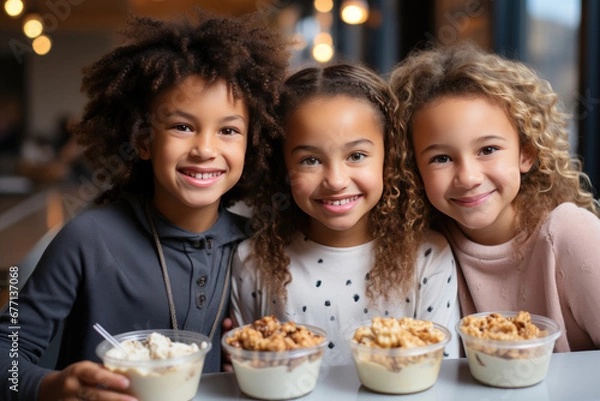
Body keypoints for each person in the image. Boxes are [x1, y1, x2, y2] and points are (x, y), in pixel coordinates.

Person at [0, 9, 288, 401]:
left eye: (228, 130)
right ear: (142, 140)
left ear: (251, 145)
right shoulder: (88, 239)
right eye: (182, 126)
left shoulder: (255, 247)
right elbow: (6, 353)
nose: (205, 149)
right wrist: (50, 386)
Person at [230, 63, 460, 366]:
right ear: (281, 166)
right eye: (310, 160)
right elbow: (250, 371)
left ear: (389, 158)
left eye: (356, 156)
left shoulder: (429, 257)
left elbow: (441, 374)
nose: (336, 180)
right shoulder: (252, 261)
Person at [389, 41, 600, 352]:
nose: (469, 178)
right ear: (413, 170)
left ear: (526, 153)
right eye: (441, 158)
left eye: (488, 150)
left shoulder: (569, 234)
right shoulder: (426, 250)